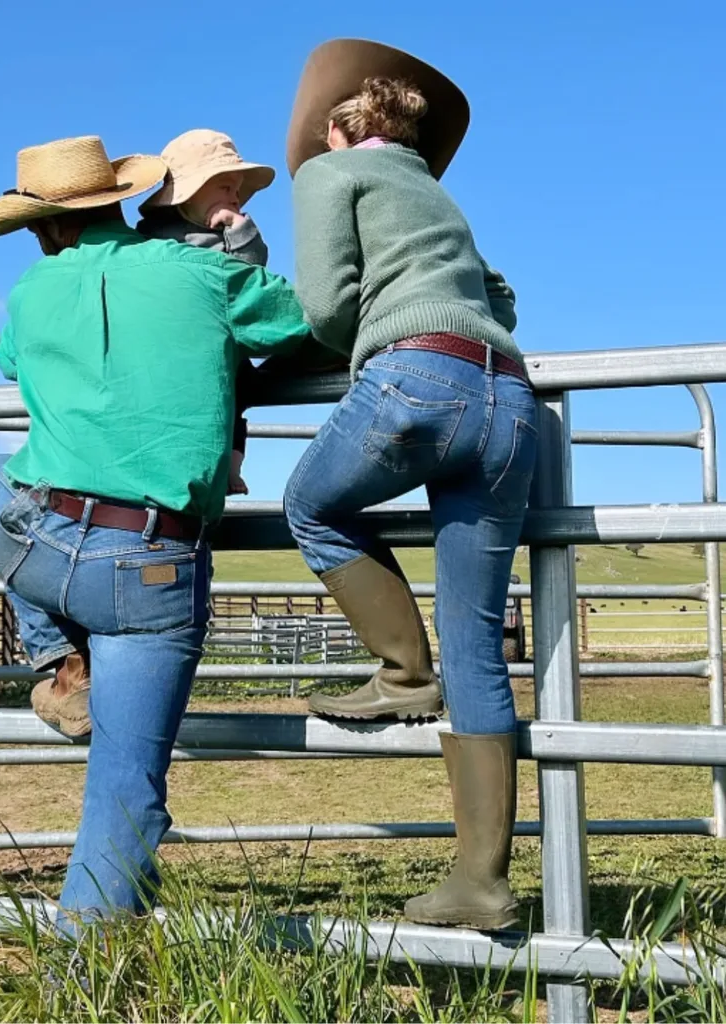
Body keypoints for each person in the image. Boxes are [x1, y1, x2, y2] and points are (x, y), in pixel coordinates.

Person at [0, 134, 310, 929]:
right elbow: (292, 326)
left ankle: (58, 657)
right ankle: (83, 980)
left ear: (41, 227)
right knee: (123, 789)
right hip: (151, 561)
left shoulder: (30, 289)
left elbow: (11, 365)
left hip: (47, 542)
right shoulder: (203, 272)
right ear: (117, 200)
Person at [283, 40, 537, 930]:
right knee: (476, 641)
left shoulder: (325, 176)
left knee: (310, 506)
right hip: (507, 398)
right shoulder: (437, 197)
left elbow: (322, 305)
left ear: (332, 125)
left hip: (415, 380)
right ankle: (480, 883)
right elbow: (500, 298)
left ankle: (400, 673)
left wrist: (359, 333)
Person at [137, 128, 276, 497]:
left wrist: (242, 233)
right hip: (172, 349)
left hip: (221, 350)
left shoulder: (232, 235)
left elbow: (251, 282)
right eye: (224, 187)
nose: (234, 198)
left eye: (237, 190)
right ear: (188, 192)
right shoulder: (149, 238)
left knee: (237, 396)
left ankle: (232, 467)